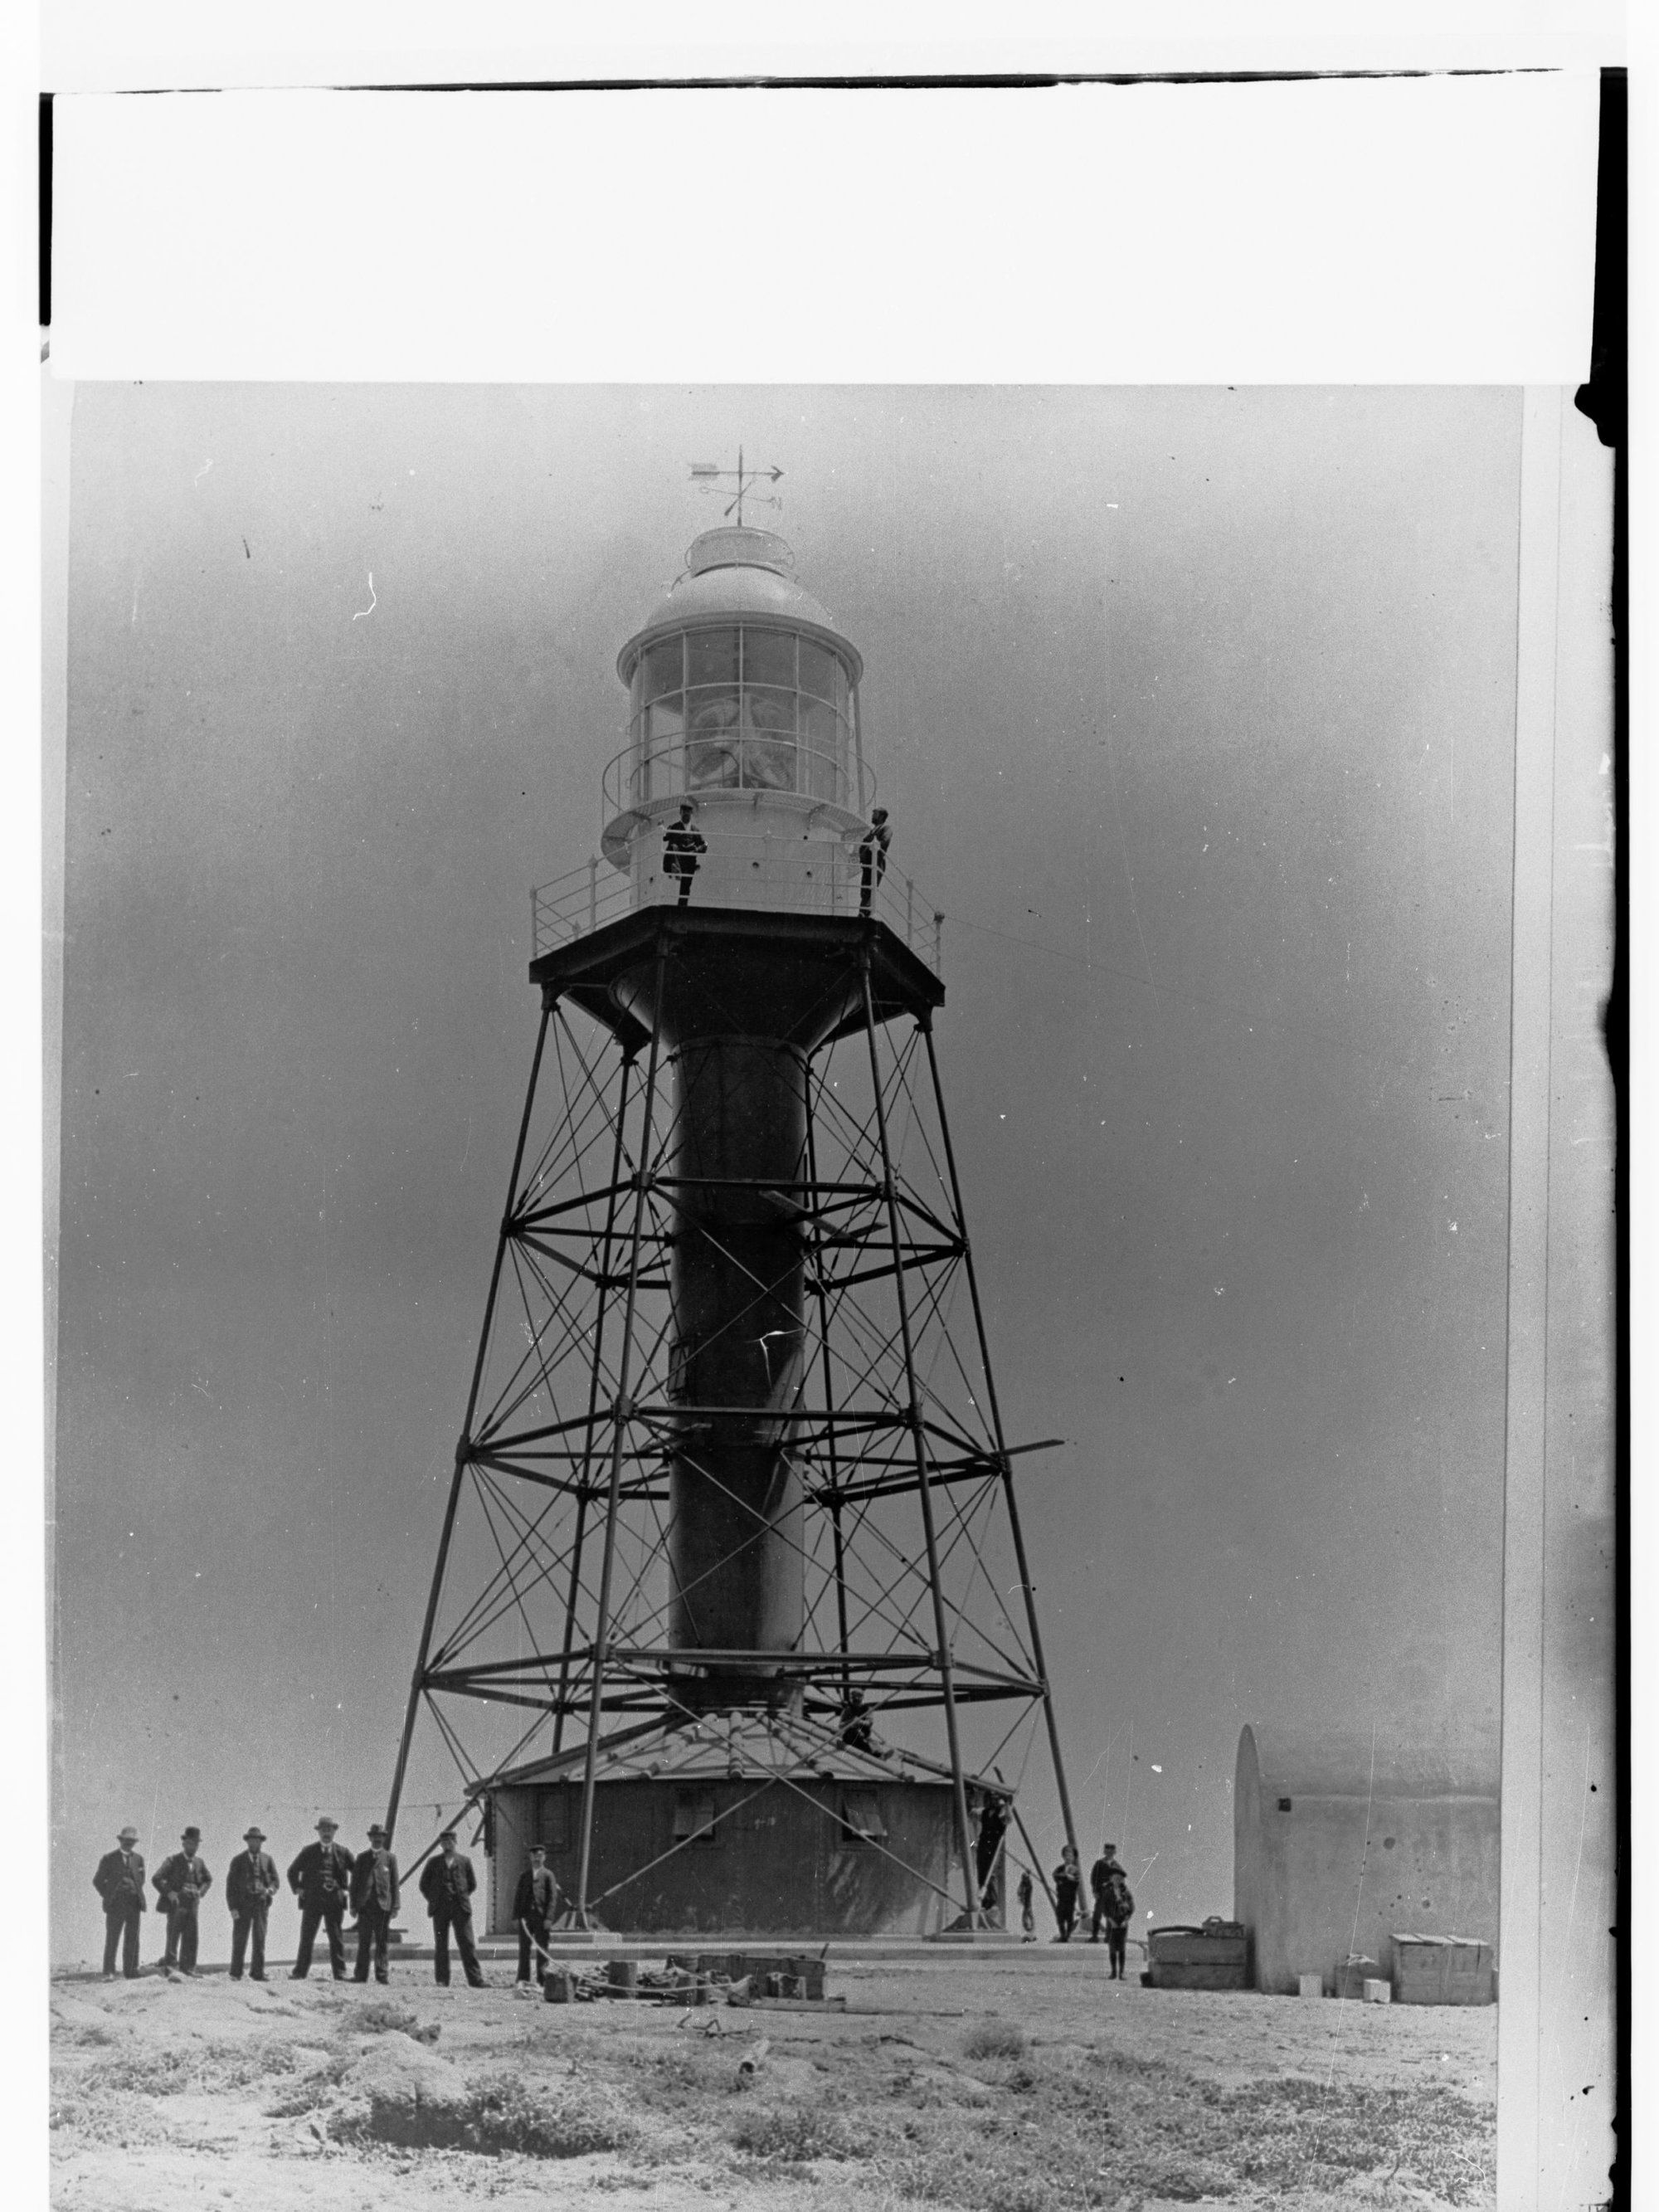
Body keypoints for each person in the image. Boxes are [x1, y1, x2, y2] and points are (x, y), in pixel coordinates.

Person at [287, 1816, 354, 1980]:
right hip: (312, 1901)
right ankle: (300, 1972)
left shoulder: (343, 1852)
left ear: (334, 1832)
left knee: (336, 1937)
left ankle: (340, 1972)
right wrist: (298, 1888)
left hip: (334, 1902)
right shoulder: (308, 1852)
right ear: (319, 1832)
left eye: (329, 1830)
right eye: (323, 1830)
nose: (326, 1833)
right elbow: (292, 1871)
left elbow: (359, 1873)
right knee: (307, 1936)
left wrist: (348, 1890)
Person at [419, 1829, 485, 1988]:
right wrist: (434, 1899)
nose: (447, 1845)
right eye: (444, 1842)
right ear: (441, 1845)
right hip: (440, 1909)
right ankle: (442, 1980)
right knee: (441, 1945)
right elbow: (423, 1885)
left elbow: (472, 1884)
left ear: (455, 1843)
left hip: (460, 1908)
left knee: (467, 1944)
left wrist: (460, 1896)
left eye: (450, 1842)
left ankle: (475, 1980)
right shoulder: (433, 1862)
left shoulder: (464, 1861)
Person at [153, 1827, 213, 1976]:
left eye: (196, 1844)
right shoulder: (173, 1861)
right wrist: (170, 1893)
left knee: (191, 1936)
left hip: (193, 1904)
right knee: (173, 1934)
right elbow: (157, 1878)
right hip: (177, 1904)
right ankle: (171, 1968)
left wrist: (201, 1892)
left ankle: (189, 1968)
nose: (193, 1846)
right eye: (190, 1843)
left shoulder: (199, 1862)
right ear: (184, 1844)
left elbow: (208, 1879)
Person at [226, 1825, 280, 1981]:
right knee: (240, 1938)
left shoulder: (267, 1860)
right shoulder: (238, 1860)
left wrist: (270, 1890)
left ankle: (257, 1973)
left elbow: (276, 1881)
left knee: (260, 1938)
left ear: (261, 1842)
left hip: (261, 1905)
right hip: (243, 1905)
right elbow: (230, 1886)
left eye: (257, 1840)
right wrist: (233, 1908)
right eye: (251, 1840)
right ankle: (236, 1973)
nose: (254, 1843)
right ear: (247, 1842)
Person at [93, 1825, 148, 1981]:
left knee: (133, 1938)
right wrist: (109, 1895)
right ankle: (109, 1971)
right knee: (113, 1938)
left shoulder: (139, 1859)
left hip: (133, 1904)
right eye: (126, 1841)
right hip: (115, 1905)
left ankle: (131, 1971)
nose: (128, 1844)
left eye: (131, 1842)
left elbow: (141, 1879)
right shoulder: (109, 1859)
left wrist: (134, 1892)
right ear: (121, 1841)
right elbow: (97, 1881)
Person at [351, 1825, 401, 1985]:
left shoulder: (390, 1858)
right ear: (370, 1838)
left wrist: (395, 1906)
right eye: (374, 1836)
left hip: (383, 1907)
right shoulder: (362, 1858)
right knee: (364, 1942)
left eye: (380, 1836)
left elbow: (394, 1884)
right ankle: (360, 1976)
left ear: (384, 1838)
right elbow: (355, 1884)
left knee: (381, 1942)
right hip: (365, 1907)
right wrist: (353, 1905)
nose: (377, 1839)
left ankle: (382, 1975)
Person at [512, 1844, 558, 1987]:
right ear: (530, 1858)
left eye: (540, 1856)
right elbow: (518, 1897)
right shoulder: (524, 1876)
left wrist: (549, 1918)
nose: (537, 1859)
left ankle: (542, 1980)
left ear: (544, 1857)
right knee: (524, 1949)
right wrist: (516, 1917)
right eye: (534, 1856)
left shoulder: (548, 1875)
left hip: (541, 1918)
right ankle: (523, 1979)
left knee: (542, 1949)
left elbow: (552, 1898)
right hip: (526, 1919)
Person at [662, 802, 707, 907]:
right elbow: (665, 837)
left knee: (686, 886)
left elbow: (703, 845)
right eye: (684, 812)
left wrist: (697, 850)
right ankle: (676, 869)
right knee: (673, 847)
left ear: (691, 813)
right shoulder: (674, 827)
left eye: (688, 812)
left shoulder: (695, 830)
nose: (686, 814)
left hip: (690, 859)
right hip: (678, 856)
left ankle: (682, 907)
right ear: (680, 813)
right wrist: (662, 827)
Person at [975, 1793, 1010, 1912]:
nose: (993, 1801)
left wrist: (1008, 1805)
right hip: (984, 1844)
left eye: (996, 1799)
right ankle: (984, 1902)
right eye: (991, 1799)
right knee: (982, 1872)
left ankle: (992, 1901)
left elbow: (1008, 1820)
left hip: (994, 1845)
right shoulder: (985, 1812)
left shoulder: (1001, 1812)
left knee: (991, 1873)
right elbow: (973, 1813)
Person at [1102, 1864, 1136, 1981]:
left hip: (1122, 1923)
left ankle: (1121, 1973)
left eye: (1119, 1878)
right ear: (1111, 1879)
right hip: (1111, 1922)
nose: (1117, 1880)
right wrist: (1110, 1920)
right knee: (1112, 1948)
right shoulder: (1108, 1892)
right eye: (1115, 1878)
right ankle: (1113, 1972)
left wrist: (1125, 1920)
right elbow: (1104, 1908)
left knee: (1121, 1948)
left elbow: (1131, 1907)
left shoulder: (1126, 1893)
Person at [1087, 1842, 1125, 1944]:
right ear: (1104, 1851)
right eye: (1107, 1850)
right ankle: (1094, 1936)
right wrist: (1095, 1891)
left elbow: (1121, 1881)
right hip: (1101, 1892)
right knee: (1097, 1914)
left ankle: (1109, 1937)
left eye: (1111, 1850)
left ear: (1114, 1852)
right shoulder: (1099, 1863)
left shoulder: (1117, 1866)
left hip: (1112, 1894)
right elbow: (1094, 1877)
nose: (1109, 1852)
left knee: (1110, 1915)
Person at [857, 807, 891, 915]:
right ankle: (863, 912)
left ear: (881, 816)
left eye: (875, 814)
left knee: (870, 889)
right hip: (867, 865)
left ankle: (865, 912)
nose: (872, 816)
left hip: (876, 863)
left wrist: (869, 848)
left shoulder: (886, 829)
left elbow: (884, 842)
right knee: (865, 890)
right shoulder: (872, 832)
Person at [1051, 1843, 1082, 1942]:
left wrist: (1066, 1878)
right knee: (1060, 1916)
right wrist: (1065, 1877)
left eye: (1070, 1855)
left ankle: (1068, 1935)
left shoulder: (1075, 1869)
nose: (1068, 1857)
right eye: (1066, 1855)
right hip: (1061, 1896)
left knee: (1069, 1917)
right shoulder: (1060, 1868)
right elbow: (1055, 1875)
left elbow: (1076, 1880)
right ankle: (1063, 1934)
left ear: (1074, 1857)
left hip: (1070, 1897)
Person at [1016, 1866, 1036, 1942]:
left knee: (1027, 1915)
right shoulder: (1025, 1885)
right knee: (1027, 1915)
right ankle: (1029, 1933)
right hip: (1027, 1903)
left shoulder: (1028, 1885)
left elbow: (1023, 1890)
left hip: (1027, 1902)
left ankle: (1029, 1933)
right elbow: (1020, 1891)